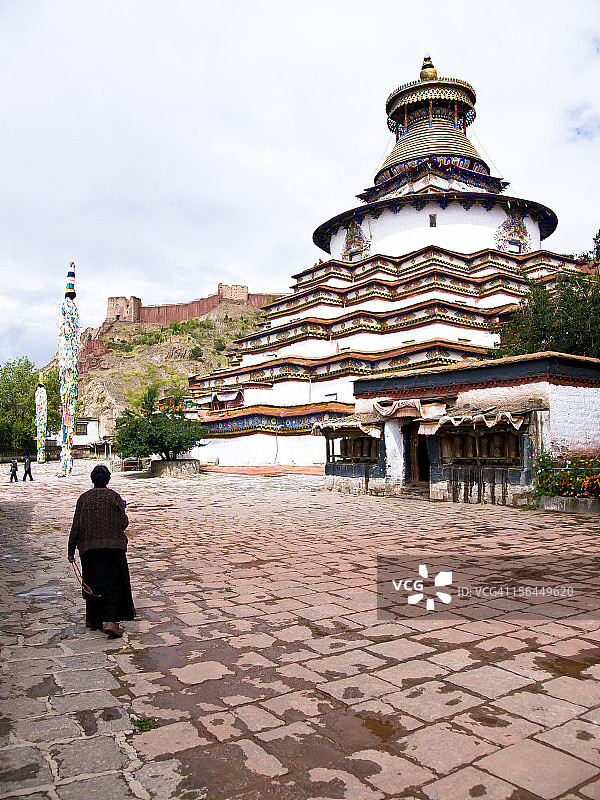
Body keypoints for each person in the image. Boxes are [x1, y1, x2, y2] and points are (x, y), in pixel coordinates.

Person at [68, 465, 135, 638]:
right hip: (113, 547)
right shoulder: (114, 497)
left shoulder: (83, 499)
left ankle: (93, 618)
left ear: (92, 479)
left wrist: (70, 549)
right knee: (113, 583)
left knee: (92, 582)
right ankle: (111, 621)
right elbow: (123, 523)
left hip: (89, 548)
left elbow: (76, 526)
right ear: (108, 479)